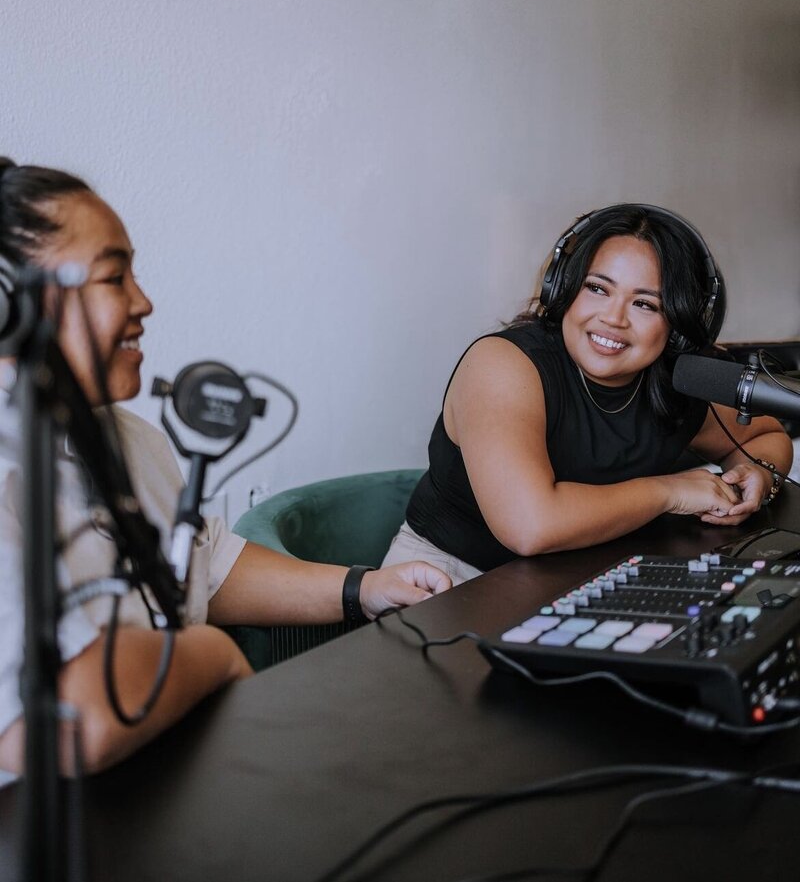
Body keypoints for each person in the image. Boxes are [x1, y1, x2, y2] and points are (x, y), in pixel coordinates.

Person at [0, 158, 451, 780]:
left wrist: (365, 588)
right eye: (113, 277)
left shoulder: (128, 439)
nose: (144, 301)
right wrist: (210, 654)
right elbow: (70, 726)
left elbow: (204, 569)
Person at [382, 203, 793, 584]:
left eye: (646, 304)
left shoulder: (674, 383)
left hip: (580, 578)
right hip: (451, 579)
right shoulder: (503, 366)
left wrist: (759, 475)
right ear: (564, 288)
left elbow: (766, 437)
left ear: (678, 326)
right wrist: (669, 491)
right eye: (598, 288)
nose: (613, 318)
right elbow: (530, 526)